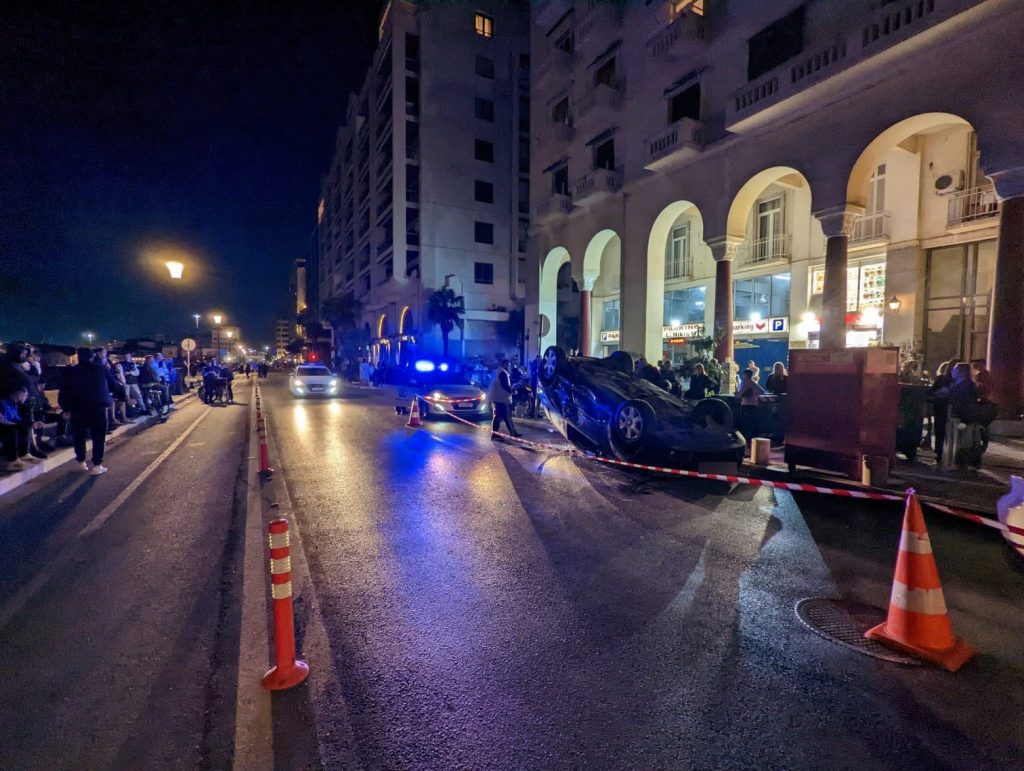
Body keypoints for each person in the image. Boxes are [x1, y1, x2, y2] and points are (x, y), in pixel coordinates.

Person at [59, 347, 111, 475]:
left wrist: (65, 408)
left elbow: (64, 390)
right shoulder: (100, 369)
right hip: (97, 407)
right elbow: (112, 383)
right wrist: (123, 396)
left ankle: (81, 462)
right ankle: (97, 465)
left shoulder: (71, 371)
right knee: (98, 437)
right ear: (92, 357)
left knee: (79, 436)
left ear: (78, 357)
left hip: (77, 408)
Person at [929, 360, 956, 460]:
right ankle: (939, 452)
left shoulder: (958, 381)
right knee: (940, 430)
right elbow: (930, 392)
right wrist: (939, 394)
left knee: (942, 431)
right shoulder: (942, 379)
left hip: (946, 408)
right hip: (941, 408)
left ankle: (941, 452)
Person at [0, 385, 32, 471]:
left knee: (25, 426)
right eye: (25, 395)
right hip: (3, 426)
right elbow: (4, 419)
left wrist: (31, 423)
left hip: (7, 425)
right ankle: (12, 460)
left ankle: (23, 453)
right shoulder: (3, 403)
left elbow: (16, 418)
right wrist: (13, 423)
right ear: (19, 394)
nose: (26, 397)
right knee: (12, 429)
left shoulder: (14, 404)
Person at [488, 359, 521, 438]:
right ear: (505, 365)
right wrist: (512, 391)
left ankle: (497, 434)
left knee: (499, 416)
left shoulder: (497, 371)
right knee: (506, 417)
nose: (509, 367)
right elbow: (505, 385)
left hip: (496, 397)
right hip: (502, 398)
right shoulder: (503, 373)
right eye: (508, 365)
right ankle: (511, 433)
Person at [736, 368, 765, 442]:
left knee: (745, 424)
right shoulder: (753, 382)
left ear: (745, 375)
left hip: (746, 405)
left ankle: (745, 440)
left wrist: (738, 395)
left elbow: (739, 395)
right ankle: (752, 440)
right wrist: (755, 394)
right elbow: (762, 391)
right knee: (752, 424)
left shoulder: (745, 382)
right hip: (754, 405)